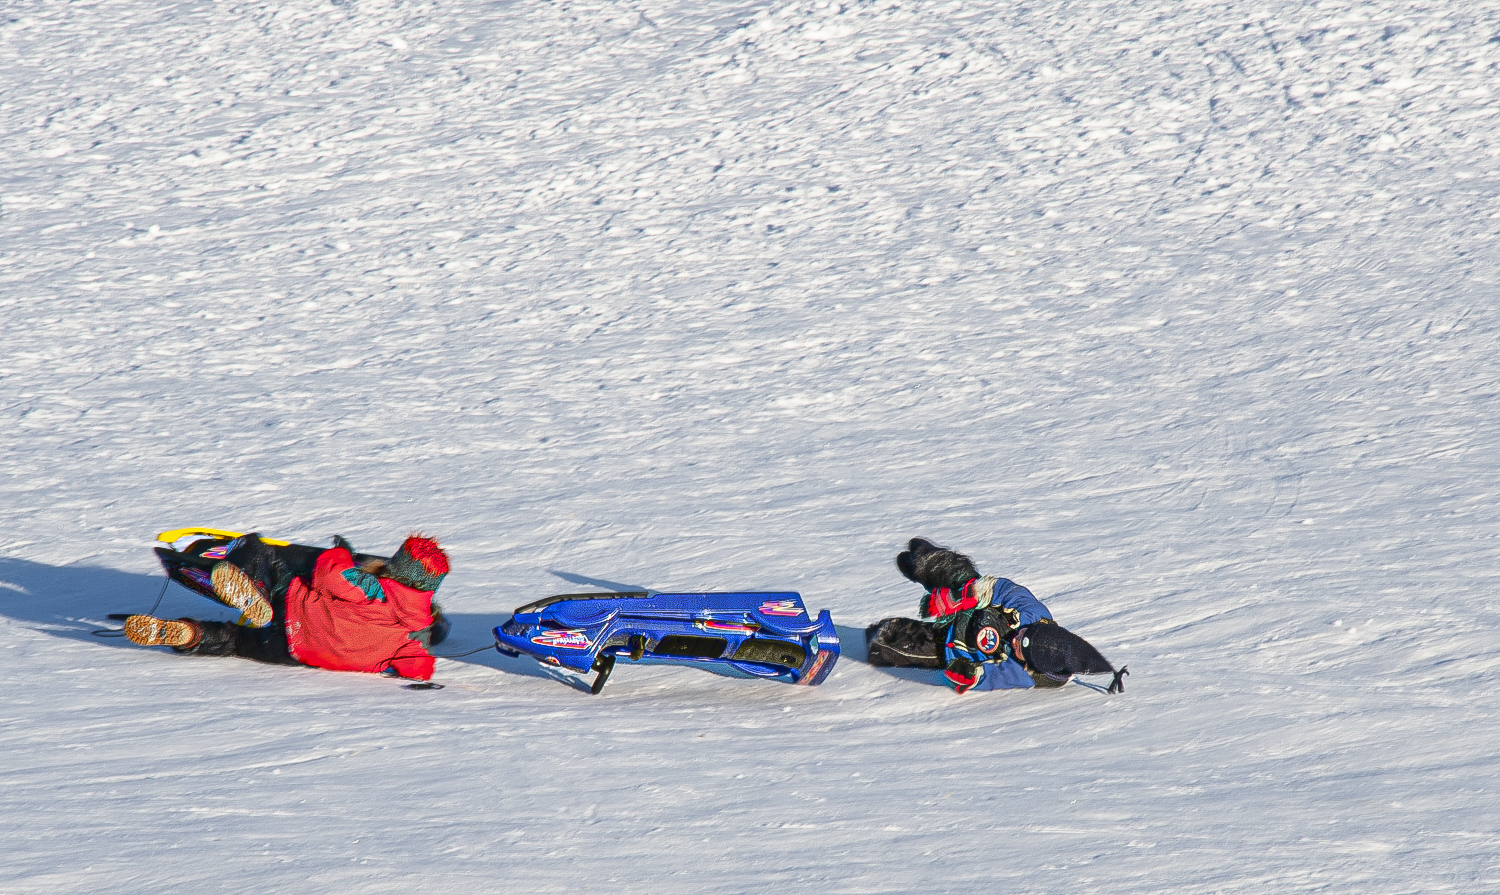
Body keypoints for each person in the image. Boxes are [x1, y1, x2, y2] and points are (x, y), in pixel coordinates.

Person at [124, 532, 451, 681]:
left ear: (397, 565)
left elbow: (327, 572)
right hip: (293, 652)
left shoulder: (371, 589)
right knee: (234, 641)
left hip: (293, 610)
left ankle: (255, 589)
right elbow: (418, 669)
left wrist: (343, 555)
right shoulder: (411, 637)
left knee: (261, 553)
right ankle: (191, 635)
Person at [866, 538, 1126, 694]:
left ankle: (881, 638)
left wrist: (970, 675)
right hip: (976, 609)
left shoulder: (1026, 674)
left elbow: (993, 677)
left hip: (955, 647)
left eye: (1021, 647)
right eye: (1025, 633)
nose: (1017, 639)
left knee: (886, 642)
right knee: (960, 575)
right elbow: (1005, 590)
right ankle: (930, 562)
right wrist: (966, 595)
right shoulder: (1034, 614)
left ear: (1032, 662)